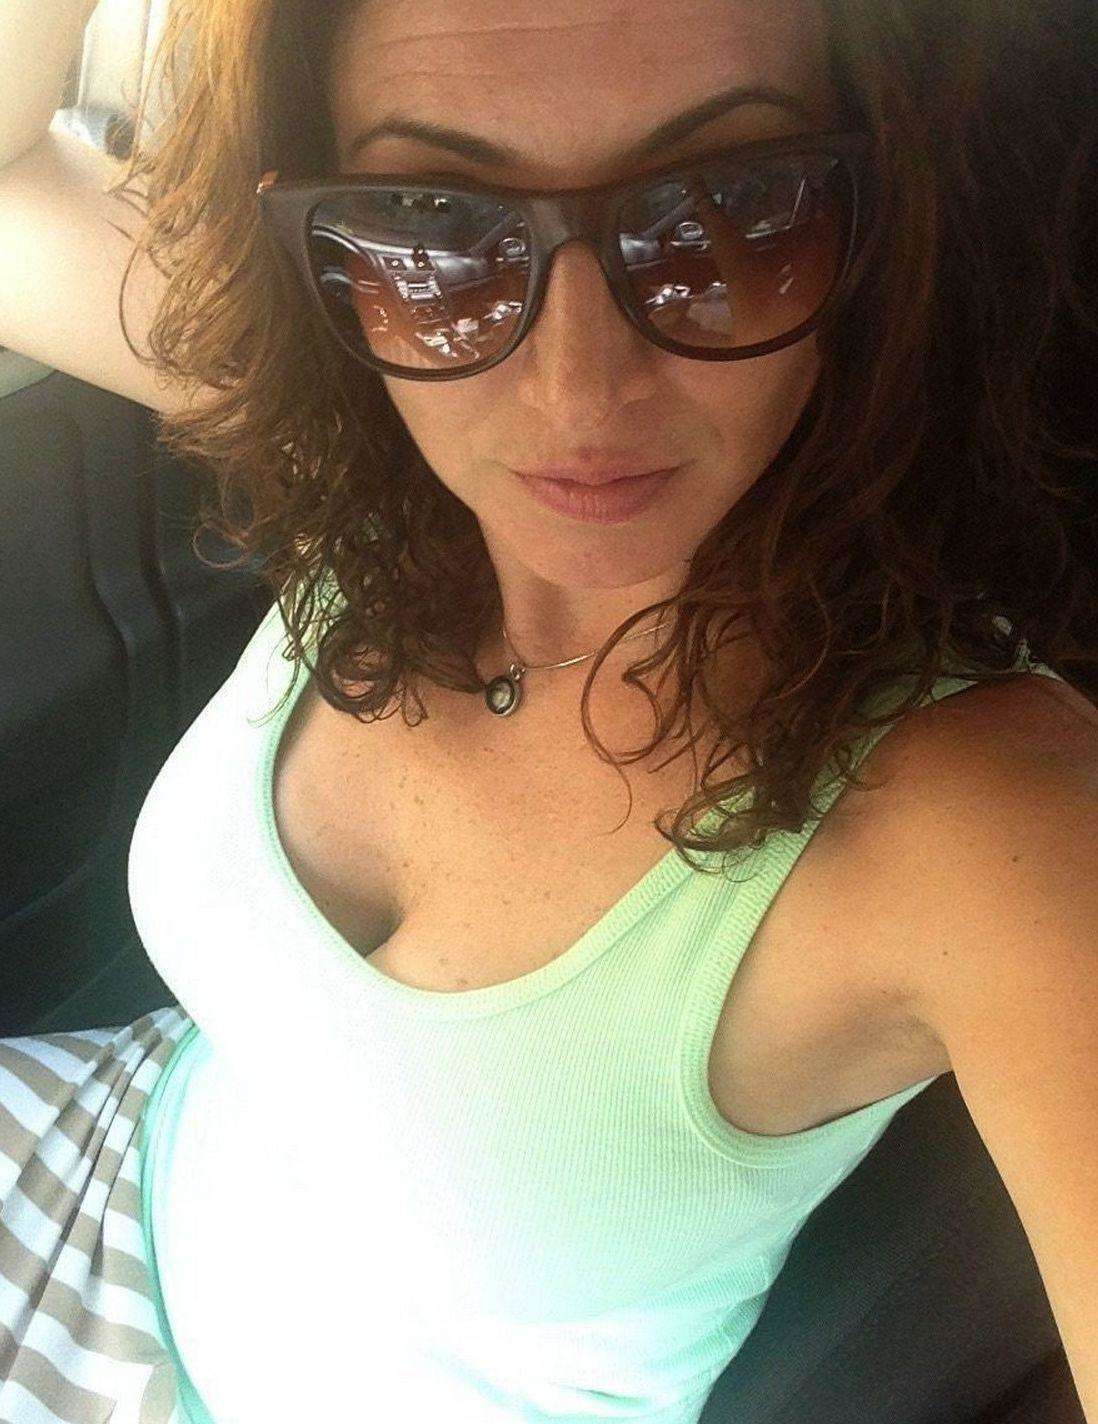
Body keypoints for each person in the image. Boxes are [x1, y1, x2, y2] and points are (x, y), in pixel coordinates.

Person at [1, 1, 1096, 1421]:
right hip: (82, 1150)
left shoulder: (993, 822)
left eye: (725, 214)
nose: (577, 391)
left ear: (887, 224)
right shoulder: (372, 462)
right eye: (434, 227)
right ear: (322, 250)